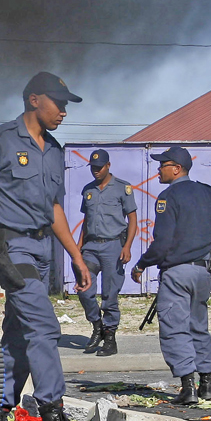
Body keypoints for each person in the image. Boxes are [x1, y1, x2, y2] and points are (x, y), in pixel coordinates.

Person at [0, 72, 101, 421]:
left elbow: (54, 208)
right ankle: (53, 417)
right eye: (58, 103)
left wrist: (76, 257)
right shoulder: (2, 140)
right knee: (44, 327)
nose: (63, 111)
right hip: (10, 248)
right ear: (33, 99)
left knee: (19, 338)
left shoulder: (55, 150)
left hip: (43, 251)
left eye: (66, 104)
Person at [130, 146, 211, 405]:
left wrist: (141, 264)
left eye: (162, 165)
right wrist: (199, 236)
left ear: (176, 169)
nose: (158, 169)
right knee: (198, 327)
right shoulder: (206, 191)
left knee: (174, 328)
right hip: (202, 272)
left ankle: (188, 388)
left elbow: (162, 242)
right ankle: (207, 385)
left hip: (177, 272)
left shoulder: (168, 197)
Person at [76, 148, 136, 356]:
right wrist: (78, 247)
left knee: (110, 294)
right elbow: (86, 221)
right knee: (84, 289)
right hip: (91, 247)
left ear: (108, 166)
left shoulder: (122, 188)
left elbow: (133, 218)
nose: (96, 171)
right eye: (93, 168)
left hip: (113, 247)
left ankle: (110, 338)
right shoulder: (88, 190)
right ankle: (97, 326)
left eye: (99, 167)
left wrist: (127, 245)